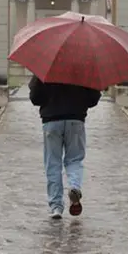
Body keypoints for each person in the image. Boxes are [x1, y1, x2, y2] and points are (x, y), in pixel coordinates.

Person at [29, 75, 101, 219]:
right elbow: (93, 98)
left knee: (52, 163)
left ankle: (56, 206)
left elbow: (35, 98)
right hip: (76, 119)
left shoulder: (45, 69)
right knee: (74, 159)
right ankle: (74, 186)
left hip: (51, 120)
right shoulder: (84, 68)